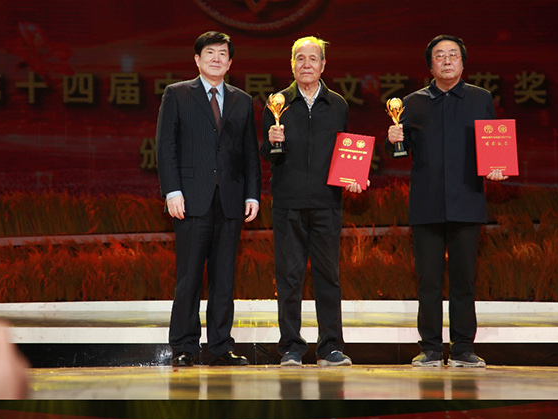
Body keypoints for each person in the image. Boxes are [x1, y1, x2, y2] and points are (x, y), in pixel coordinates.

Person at [387, 36, 506, 369]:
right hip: (426, 204)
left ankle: (464, 348)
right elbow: (399, 151)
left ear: (463, 63)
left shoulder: (480, 98)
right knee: (428, 281)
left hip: (467, 201)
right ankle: (430, 348)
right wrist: (393, 140)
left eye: (453, 55)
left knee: (464, 280)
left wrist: (497, 166)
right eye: (440, 56)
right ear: (431, 65)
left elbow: (493, 142)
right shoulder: (412, 102)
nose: (447, 60)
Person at [156, 31, 260, 366]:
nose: (216, 58)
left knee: (224, 277)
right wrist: (172, 191)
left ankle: (220, 346)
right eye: (210, 52)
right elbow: (166, 147)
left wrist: (252, 194)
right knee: (189, 277)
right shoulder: (177, 94)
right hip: (190, 199)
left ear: (230, 63)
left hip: (230, 199)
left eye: (222, 54)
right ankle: (184, 347)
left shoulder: (242, 100)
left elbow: (250, 152)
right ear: (197, 60)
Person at [262, 37, 363, 367]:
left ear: (323, 65)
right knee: (289, 278)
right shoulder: (277, 103)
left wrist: (353, 177)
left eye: (313, 58)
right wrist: (271, 142)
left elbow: (346, 152)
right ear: (291, 64)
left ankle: (330, 347)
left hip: (327, 204)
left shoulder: (338, 105)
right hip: (287, 204)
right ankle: (291, 347)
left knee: (328, 278)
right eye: (300, 58)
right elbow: (266, 154)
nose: (307, 64)